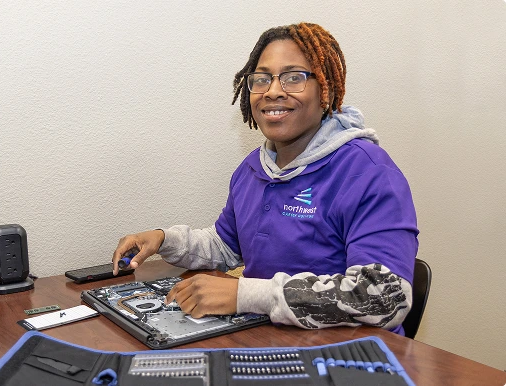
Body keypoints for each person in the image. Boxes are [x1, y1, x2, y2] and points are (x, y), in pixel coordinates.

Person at [112, 22, 418, 335]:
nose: (273, 91)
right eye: (262, 79)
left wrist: (245, 295)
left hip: (350, 355)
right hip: (266, 339)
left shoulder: (368, 172)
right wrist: (166, 239)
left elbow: (384, 298)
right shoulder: (252, 169)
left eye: (294, 77)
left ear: (326, 89)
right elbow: (227, 246)